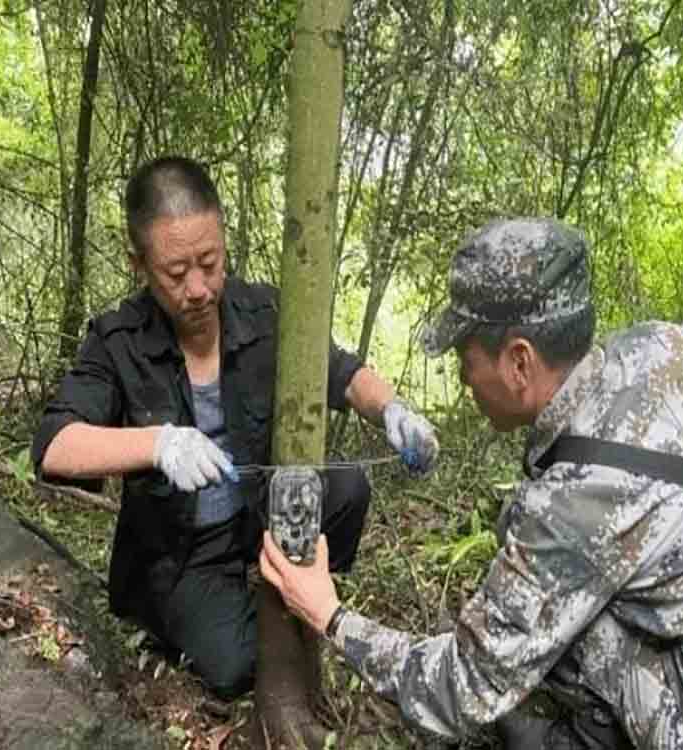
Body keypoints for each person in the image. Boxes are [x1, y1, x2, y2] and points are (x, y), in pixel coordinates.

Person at [260, 217, 683, 749]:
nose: (463, 378)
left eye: (466, 357)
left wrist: (331, 616)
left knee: (555, 631)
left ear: (519, 362)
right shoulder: (666, 343)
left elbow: (458, 691)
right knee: (530, 560)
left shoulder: (571, 509)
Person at [31, 155, 439, 700]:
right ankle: (208, 614)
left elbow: (341, 372)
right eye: (176, 274)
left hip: (256, 516)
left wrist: (393, 411)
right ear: (140, 265)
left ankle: (290, 592)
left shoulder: (262, 311)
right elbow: (55, 446)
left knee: (346, 489)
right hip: (182, 554)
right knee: (238, 667)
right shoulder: (117, 340)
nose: (199, 288)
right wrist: (160, 443)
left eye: (210, 262)